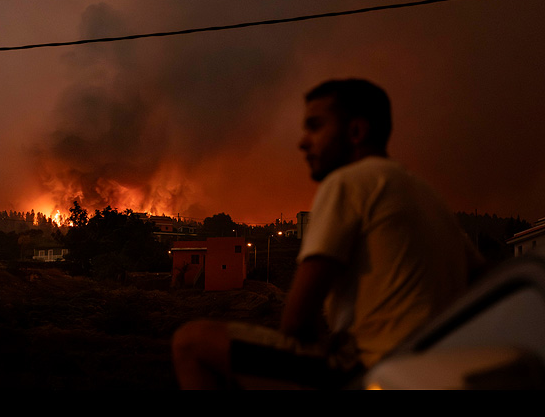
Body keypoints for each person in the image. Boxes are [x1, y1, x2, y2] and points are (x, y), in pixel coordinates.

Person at [171, 78, 483, 389]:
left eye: (315, 126)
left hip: (367, 369)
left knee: (191, 343)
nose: (303, 141)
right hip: (432, 369)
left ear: (356, 132)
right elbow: (482, 279)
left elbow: (296, 319)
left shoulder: (349, 182)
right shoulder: (430, 198)